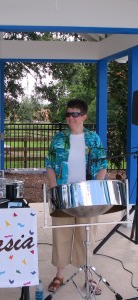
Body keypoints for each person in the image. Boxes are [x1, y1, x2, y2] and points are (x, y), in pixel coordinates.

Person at [45, 99, 108, 295]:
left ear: (84, 116)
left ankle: (87, 277)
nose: (70, 118)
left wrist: (96, 188)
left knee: (86, 236)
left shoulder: (93, 139)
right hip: (63, 191)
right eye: (68, 114)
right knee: (61, 234)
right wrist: (55, 187)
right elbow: (49, 164)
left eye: (75, 114)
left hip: (87, 194)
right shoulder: (58, 139)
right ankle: (60, 274)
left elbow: (102, 166)